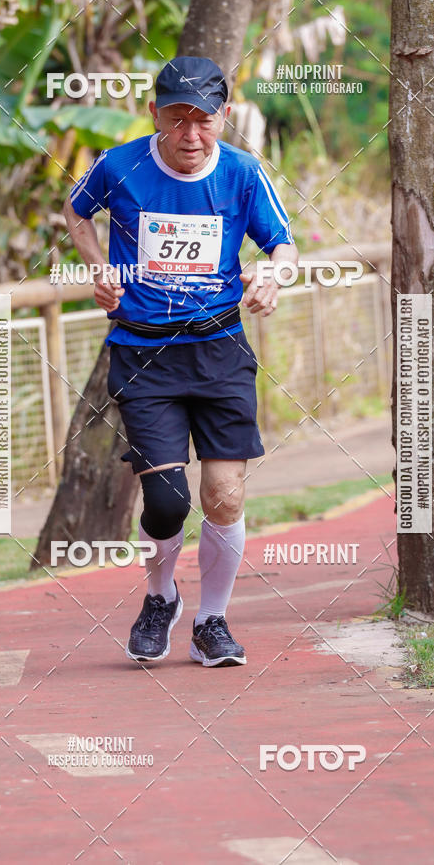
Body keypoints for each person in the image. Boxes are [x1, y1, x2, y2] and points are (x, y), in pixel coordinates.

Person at [64, 55, 298, 667]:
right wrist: (100, 269)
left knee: (223, 494)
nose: (191, 135)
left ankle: (212, 620)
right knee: (167, 501)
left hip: (220, 350)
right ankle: (160, 596)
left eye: (205, 120)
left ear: (225, 114)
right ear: (155, 114)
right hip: (144, 354)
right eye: (177, 120)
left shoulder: (244, 173)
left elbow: (284, 245)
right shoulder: (121, 165)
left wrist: (274, 277)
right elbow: (76, 209)